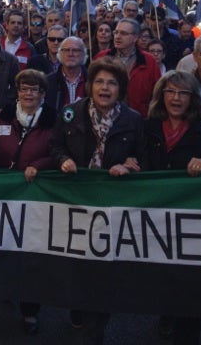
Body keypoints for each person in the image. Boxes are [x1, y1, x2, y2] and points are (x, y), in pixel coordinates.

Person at [49, 56, 144, 343]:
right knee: (77, 263)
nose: (105, 88)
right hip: (76, 201)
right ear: (90, 86)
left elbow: (143, 158)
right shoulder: (69, 113)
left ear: (121, 88)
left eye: (112, 83)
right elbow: (55, 146)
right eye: (99, 82)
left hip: (111, 205)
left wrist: (129, 165)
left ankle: (96, 327)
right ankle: (79, 306)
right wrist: (63, 159)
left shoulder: (134, 120)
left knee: (103, 269)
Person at [143, 70, 201, 345]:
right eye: (170, 92)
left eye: (183, 93)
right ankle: (167, 313)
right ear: (161, 95)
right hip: (156, 217)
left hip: (192, 221)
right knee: (164, 276)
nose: (176, 98)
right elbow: (140, 161)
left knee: (191, 283)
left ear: (193, 98)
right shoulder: (148, 128)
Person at [0, 69, 56, 335]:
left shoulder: (52, 120)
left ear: (42, 94)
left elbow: (57, 153)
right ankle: (7, 288)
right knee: (6, 246)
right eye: (24, 88)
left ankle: (31, 311)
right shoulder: (4, 116)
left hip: (35, 195)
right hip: (5, 195)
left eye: (34, 89)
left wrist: (38, 165)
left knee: (32, 254)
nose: (28, 94)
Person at [95, 18, 161, 117]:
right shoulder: (101, 57)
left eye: (123, 33)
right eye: (116, 32)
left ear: (135, 37)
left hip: (139, 119)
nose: (117, 37)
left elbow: (157, 93)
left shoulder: (149, 61)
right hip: (105, 117)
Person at [45, 36, 88, 112]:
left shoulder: (91, 80)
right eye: (66, 50)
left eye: (75, 50)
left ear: (84, 54)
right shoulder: (48, 82)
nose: (70, 54)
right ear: (59, 54)